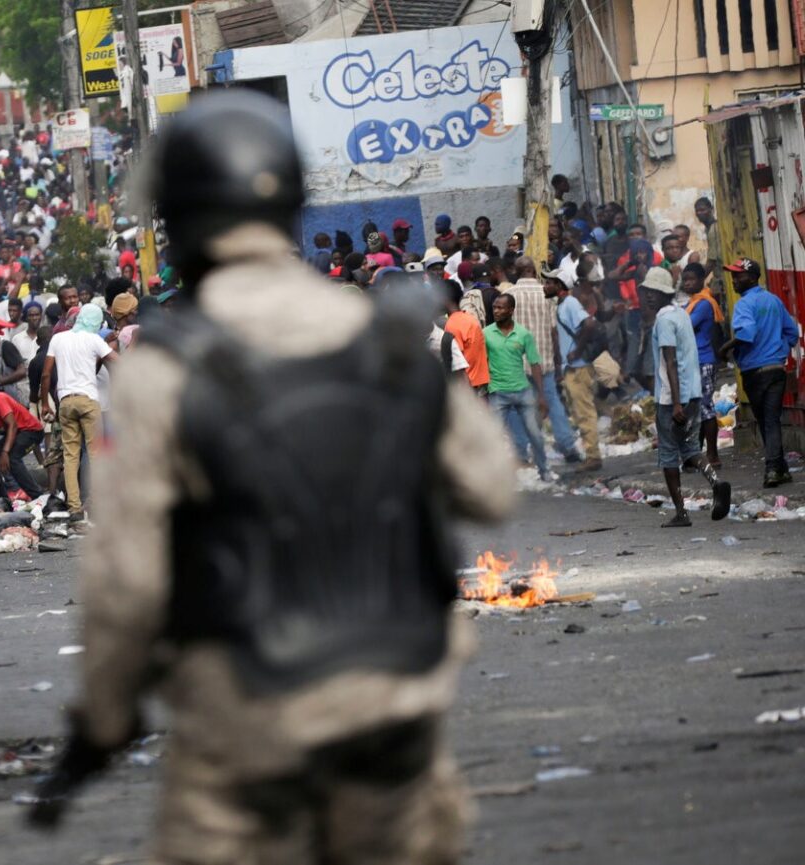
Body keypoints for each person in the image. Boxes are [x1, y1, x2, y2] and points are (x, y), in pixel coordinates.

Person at [28, 91, 516, 862]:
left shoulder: (164, 369)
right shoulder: (378, 335)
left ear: (180, 219)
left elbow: (127, 580)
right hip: (394, 711)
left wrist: (102, 720)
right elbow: (491, 484)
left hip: (248, 724)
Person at [642, 268, 731, 527]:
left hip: (673, 398)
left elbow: (671, 362)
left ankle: (681, 512)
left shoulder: (664, 321)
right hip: (692, 392)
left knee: (669, 455)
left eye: (653, 293)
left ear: (663, 294)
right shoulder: (681, 313)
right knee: (690, 448)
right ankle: (716, 483)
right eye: (648, 292)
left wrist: (676, 403)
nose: (649, 297)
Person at [721, 258, 799, 487]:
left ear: (753, 278)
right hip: (776, 369)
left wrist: (725, 348)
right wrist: (780, 350)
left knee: (767, 420)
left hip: (754, 372)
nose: (734, 280)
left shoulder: (744, 305)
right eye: (733, 276)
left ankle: (773, 468)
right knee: (770, 419)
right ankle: (780, 467)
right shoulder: (773, 300)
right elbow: (792, 333)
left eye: (738, 276)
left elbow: (747, 333)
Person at [40, 304, 115, 518]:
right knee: (95, 455)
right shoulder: (94, 340)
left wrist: (45, 403)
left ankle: (74, 507)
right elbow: (116, 361)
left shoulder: (58, 339)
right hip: (89, 401)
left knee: (70, 456)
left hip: (65, 402)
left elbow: (46, 375)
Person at [504, 259, 581, 462]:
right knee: (553, 402)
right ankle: (568, 446)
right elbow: (554, 331)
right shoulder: (545, 294)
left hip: (516, 362)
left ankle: (520, 452)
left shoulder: (509, 295)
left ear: (516, 271)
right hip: (543, 360)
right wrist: (557, 361)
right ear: (533, 271)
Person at [484, 294, 553, 481]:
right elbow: (482, 362)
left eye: (500, 308)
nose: (496, 311)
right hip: (497, 393)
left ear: (511, 310)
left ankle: (544, 470)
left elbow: (535, 364)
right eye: (495, 307)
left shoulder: (523, 334)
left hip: (523, 392)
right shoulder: (486, 334)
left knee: (535, 435)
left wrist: (541, 396)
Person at [551, 268, 603, 472]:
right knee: (580, 412)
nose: (546, 286)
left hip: (579, 367)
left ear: (560, 286)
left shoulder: (570, 303)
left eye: (550, 283)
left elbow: (589, 324)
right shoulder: (563, 304)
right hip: (571, 368)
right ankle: (591, 454)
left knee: (584, 412)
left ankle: (593, 457)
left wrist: (577, 351)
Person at [682, 262, 724, 466]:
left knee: (705, 408)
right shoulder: (691, 303)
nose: (687, 283)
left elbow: (684, 325)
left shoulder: (704, 303)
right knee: (695, 408)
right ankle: (695, 454)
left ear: (701, 280)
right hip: (693, 361)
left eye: (691, 279)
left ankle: (713, 455)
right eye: (684, 280)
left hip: (703, 360)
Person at [0, 384, 45, 502]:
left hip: (32, 431)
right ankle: (3, 499)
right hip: (16, 433)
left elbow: (13, 425)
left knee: (12, 458)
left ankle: (38, 496)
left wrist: (4, 452)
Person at [441, 280, 489, 394]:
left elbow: (457, 362)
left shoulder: (452, 324)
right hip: (479, 382)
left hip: (467, 386)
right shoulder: (468, 318)